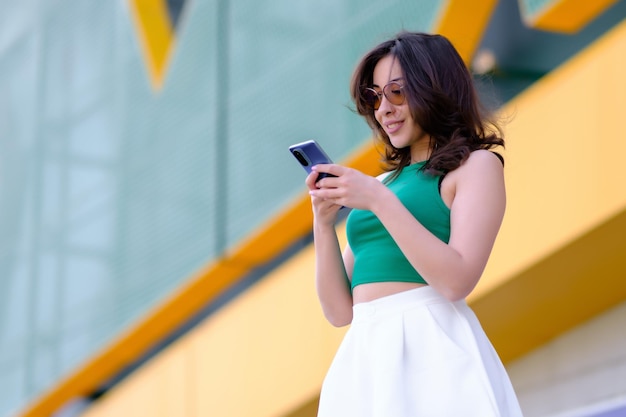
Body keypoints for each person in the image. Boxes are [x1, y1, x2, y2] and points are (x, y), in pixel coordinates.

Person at [305, 32, 524, 416]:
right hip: (365, 352)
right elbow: (340, 313)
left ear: (435, 88)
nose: (383, 109)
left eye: (397, 93)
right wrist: (323, 226)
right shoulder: (382, 186)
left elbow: (457, 280)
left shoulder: (476, 166)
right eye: (374, 97)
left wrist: (377, 200)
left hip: (432, 342)